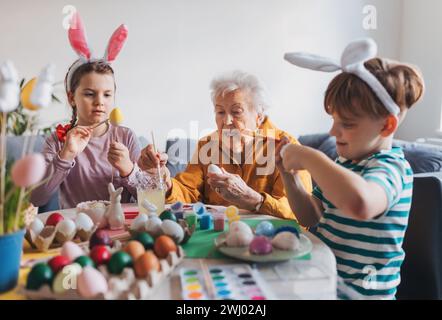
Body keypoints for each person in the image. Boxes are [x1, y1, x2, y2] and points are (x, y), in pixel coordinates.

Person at [278, 38, 424, 299]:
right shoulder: (344, 163)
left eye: (347, 123)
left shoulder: (391, 168)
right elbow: (311, 217)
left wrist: (310, 157)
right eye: (333, 120)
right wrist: (289, 177)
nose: (333, 131)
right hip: (325, 286)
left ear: (387, 126)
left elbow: (360, 204)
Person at [138, 71, 312, 219]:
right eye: (220, 111)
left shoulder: (286, 148)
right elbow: (188, 192)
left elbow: (299, 214)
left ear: (259, 115)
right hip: (217, 235)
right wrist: (166, 183)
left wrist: (254, 200)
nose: (226, 120)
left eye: (236, 112)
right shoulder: (207, 145)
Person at [31, 13, 140, 209]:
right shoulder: (58, 140)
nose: (100, 102)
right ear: (72, 97)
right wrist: (65, 155)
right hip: (77, 229)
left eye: (107, 95)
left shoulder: (127, 137)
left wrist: (128, 170)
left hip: (122, 229)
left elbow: (148, 200)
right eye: (90, 94)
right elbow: (37, 199)